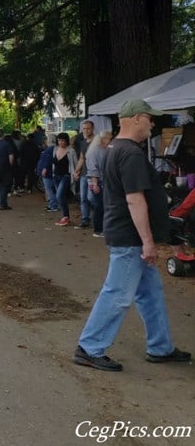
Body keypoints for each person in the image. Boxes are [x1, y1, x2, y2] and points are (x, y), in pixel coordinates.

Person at [74, 99, 191, 372]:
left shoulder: (115, 148)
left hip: (125, 234)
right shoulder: (130, 153)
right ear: (137, 118)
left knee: (150, 294)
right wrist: (148, 242)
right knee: (118, 294)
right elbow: (134, 200)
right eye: (150, 119)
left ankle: (160, 347)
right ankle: (90, 347)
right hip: (130, 238)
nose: (153, 123)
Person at [42, 132, 77, 226]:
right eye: (59, 140)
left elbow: (75, 163)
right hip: (56, 176)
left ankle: (65, 216)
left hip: (66, 176)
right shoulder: (55, 149)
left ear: (67, 141)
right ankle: (65, 216)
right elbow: (51, 161)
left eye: (63, 140)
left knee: (59, 195)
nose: (61, 142)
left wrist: (76, 174)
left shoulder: (71, 151)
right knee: (61, 197)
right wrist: (45, 169)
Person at [85, 130, 113, 237]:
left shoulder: (103, 149)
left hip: (102, 181)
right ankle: (98, 229)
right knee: (99, 206)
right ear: (103, 139)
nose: (110, 141)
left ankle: (103, 228)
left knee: (102, 206)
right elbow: (93, 169)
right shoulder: (94, 151)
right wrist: (95, 183)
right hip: (97, 181)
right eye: (109, 139)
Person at [73, 120, 95, 228]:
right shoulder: (83, 142)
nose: (86, 130)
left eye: (88, 128)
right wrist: (76, 170)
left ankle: (97, 217)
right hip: (83, 174)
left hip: (94, 174)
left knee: (92, 197)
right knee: (83, 197)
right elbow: (82, 157)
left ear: (93, 129)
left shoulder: (97, 141)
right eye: (84, 128)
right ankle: (85, 219)